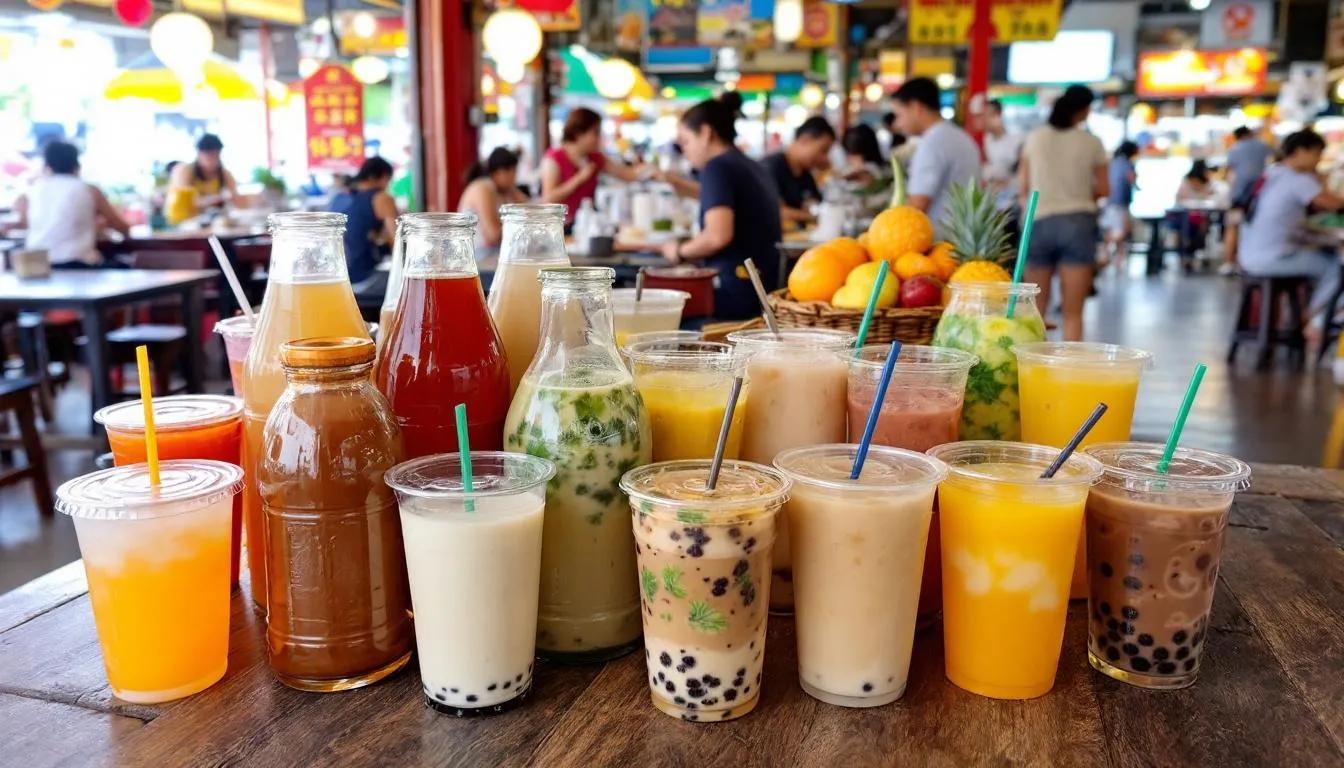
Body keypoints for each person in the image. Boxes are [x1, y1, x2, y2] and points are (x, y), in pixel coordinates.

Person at [659, 97, 783, 320]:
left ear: (706, 133)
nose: (685, 151)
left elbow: (717, 236)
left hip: (733, 296)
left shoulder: (717, 167)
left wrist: (678, 251)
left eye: (686, 142)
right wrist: (674, 182)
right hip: (761, 291)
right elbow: (718, 198)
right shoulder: (750, 164)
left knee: (661, 312)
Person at [1018, 84, 1109, 342]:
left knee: (1035, 312)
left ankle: (1031, 373)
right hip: (1078, 223)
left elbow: (1023, 186)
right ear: (1083, 109)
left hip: (1039, 220)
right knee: (1073, 314)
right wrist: (1077, 196)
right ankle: (1071, 375)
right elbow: (1103, 188)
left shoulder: (1035, 138)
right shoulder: (1092, 142)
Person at [1237, 129, 1344, 334]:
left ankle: (1305, 319)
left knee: (1324, 257)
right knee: (1335, 267)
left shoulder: (1272, 173)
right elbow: (1330, 203)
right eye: (1317, 154)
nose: (1318, 161)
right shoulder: (1298, 179)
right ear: (1302, 151)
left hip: (1248, 256)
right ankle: (1312, 320)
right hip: (1271, 258)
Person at [10, 140, 129, 268]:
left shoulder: (33, 190)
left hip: (38, 265)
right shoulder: (88, 190)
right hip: (79, 264)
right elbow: (121, 227)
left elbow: (26, 223)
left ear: (47, 164)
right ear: (77, 163)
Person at [890, 77, 980, 226]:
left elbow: (917, 206)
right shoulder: (961, 136)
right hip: (962, 237)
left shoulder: (932, 144)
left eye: (899, 115)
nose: (898, 124)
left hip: (942, 240)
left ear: (916, 108)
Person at [539, 107, 648, 227]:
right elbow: (548, 198)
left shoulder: (595, 157)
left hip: (585, 224)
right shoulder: (554, 158)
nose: (599, 139)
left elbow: (627, 174)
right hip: (560, 227)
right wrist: (579, 179)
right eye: (595, 132)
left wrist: (649, 170)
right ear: (579, 133)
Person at [327, 156, 398, 300]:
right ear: (383, 176)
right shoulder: (381, 198)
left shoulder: (338, 197)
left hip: (336, 280)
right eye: (388, 181)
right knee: (407, 285)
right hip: (365, 279)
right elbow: (398, 242)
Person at [761, 116, 835, 226]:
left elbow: (817, 204)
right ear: (804, 139)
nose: (824, 158)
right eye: (823, 150)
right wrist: (813, 216)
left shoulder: (806, 174)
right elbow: (775, 211)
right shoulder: (770, 167)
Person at [1223, 126, 1274, 275]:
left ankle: (1229, 262)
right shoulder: (1262, 145)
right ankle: (1247, 261)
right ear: (1249, 134)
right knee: (1254, 227)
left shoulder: (1234, 149)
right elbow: (1276, 157)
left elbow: (1228, 171)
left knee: (1232, 227)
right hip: (1260, 194)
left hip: (1238, 195)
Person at [459, 147, 529, 248]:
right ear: (499, 172)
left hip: (488, 252)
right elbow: (493, 235)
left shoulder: (502, 191)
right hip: (476, 254)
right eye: (513, 172)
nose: (514, 177)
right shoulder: (483, 187)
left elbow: (528, 212)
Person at [166, 133, 239, 224]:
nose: (212, 161)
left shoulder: (224, 174)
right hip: (178, 223)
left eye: (216, 156)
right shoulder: (184, 171)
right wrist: (218, 198)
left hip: (204, 223)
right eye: (208, 156)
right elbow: (191, 202)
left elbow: (236, 199)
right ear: (199, 154)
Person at [1100, 141, 1140, 269]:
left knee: (1114, 228)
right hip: (1120, 201)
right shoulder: (1127, 163)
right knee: (1121, 231)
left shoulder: (1113, 162)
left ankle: (1117, 259)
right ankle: (1106, 254)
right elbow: (1131, 178)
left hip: (1109, 200)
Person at [981, 100, 1023, 212]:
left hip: (1013, 203)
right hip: (994, 203)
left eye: (987, 116)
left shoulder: (1016, 140)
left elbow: (1022, 174)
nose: (983, 121)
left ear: (997, 116)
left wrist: (1006, 181)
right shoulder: (987, 141)